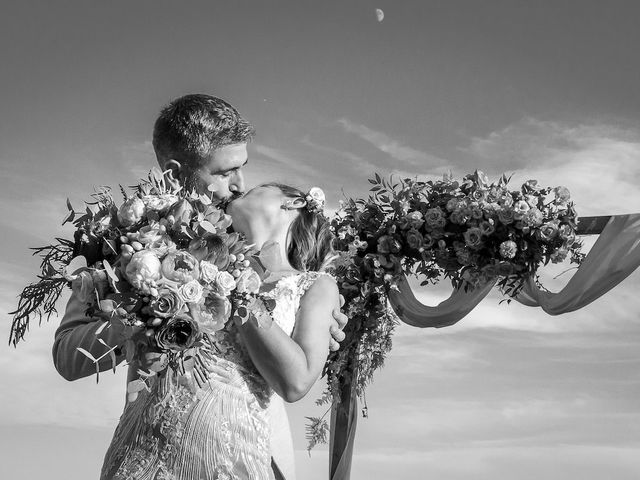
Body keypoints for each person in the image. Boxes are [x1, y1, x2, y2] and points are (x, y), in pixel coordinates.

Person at [52, 94, 347, 480]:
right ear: (175, 173)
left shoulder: (252, 241)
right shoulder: (121, 243)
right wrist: (141, 311)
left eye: (243, 168)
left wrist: (322, 314)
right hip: (148, 455)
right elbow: (67, 356)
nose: (240, 185)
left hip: (245, 451)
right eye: (225, 173)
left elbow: (298, 307)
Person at [100, 183, 339, 479]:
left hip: (226, 454)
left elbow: (296, 382)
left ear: (293, 202)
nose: (238, 190)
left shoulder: (316, 285)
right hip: (141, 446)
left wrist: (242, 289)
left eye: (255, 190)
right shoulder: (190, 256)